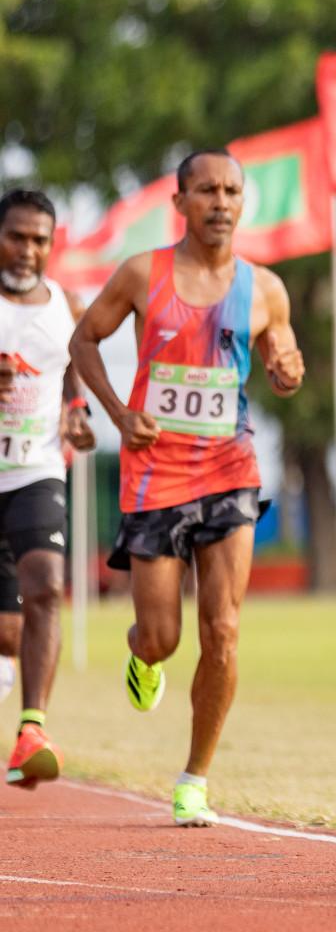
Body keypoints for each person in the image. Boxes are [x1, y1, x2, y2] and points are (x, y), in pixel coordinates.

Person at [70, 149, 304, 827]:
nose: (221, 202)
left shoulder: (265, 289)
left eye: (231, 191)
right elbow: (84, 341)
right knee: (162, 636)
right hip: (155, 472)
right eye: (206, 190)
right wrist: (119, 414)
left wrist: (287, 370)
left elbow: (283, 362)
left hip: (231, 470)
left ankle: (194, 777)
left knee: (223, 630)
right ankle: (142, 656)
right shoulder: (142, 274)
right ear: (180, 203)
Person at [0, 188, 96, 790]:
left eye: (39, 239)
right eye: (16, 236)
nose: (27, 250)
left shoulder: (66, 304)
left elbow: (75, 359)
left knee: (46, 587)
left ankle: (32, 730)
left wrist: (78, 410)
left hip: (35, 469)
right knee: (7, 633)